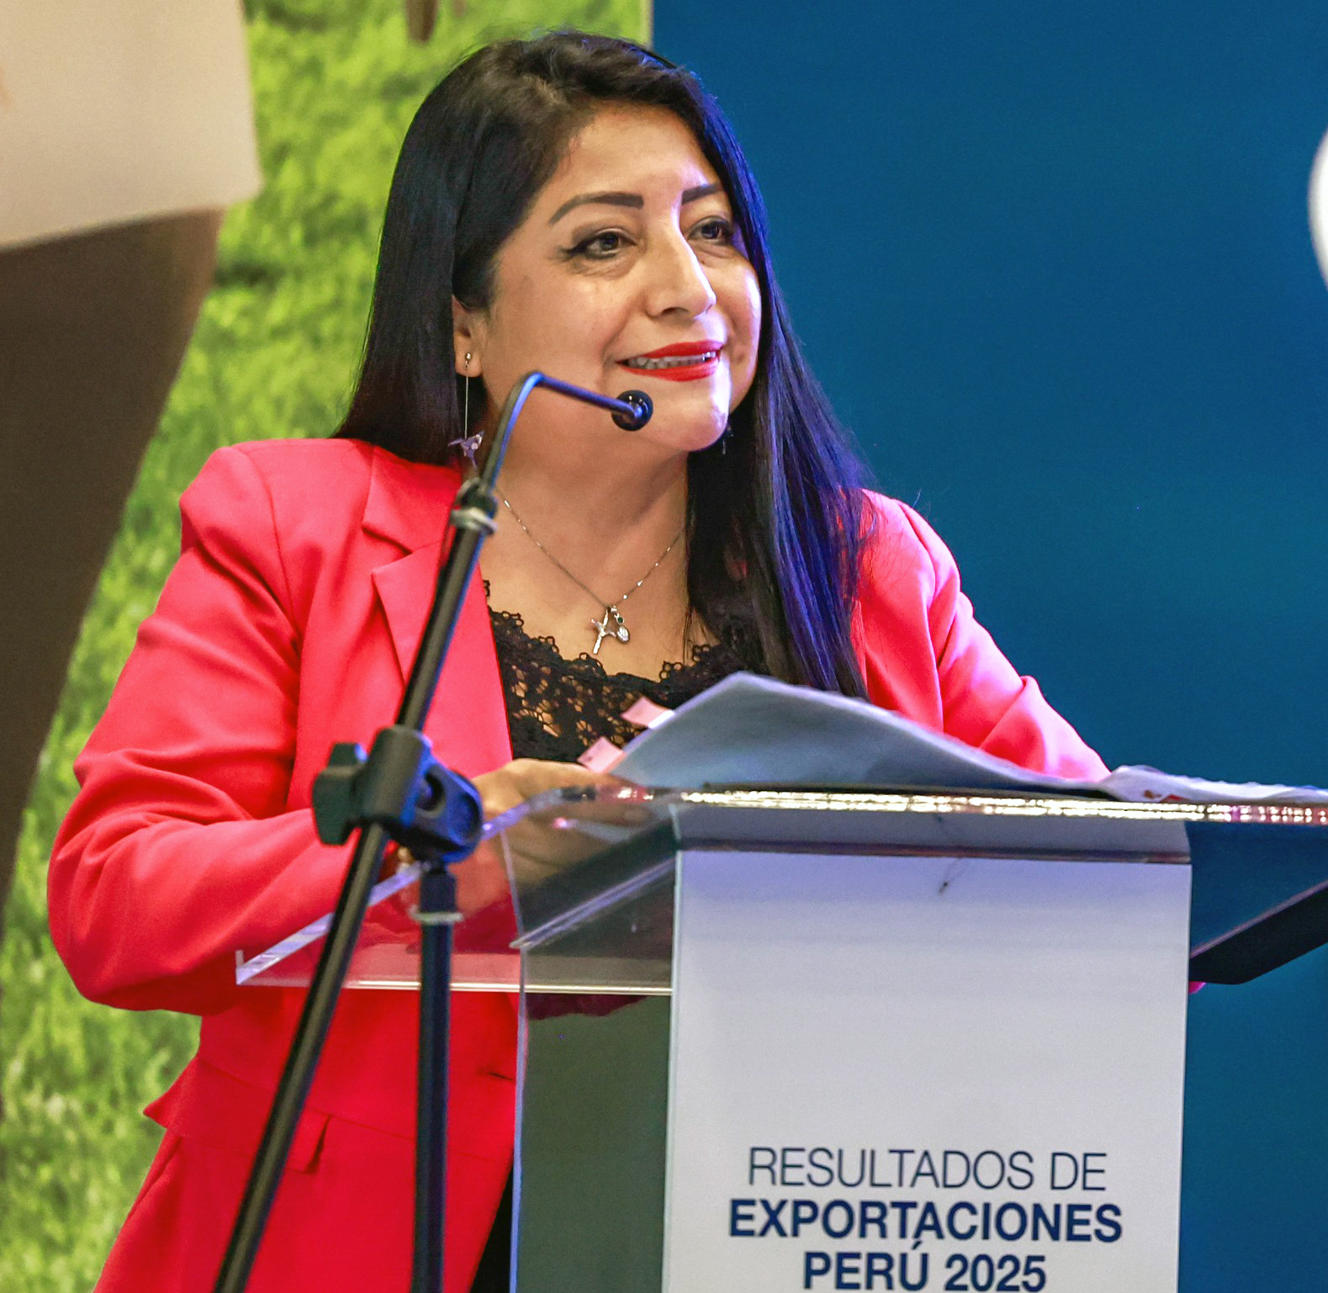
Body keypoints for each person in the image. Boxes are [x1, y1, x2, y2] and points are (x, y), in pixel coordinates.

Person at [47, 32, 1105, 1293]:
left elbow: (1107, 872)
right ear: (463, 327)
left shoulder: (872, 567)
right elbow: (114, 900)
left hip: (771, 1230)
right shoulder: (296, 525)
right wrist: (419, 849)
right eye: (605, 242)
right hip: (365, 1250)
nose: (685, 288)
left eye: (711, 232)